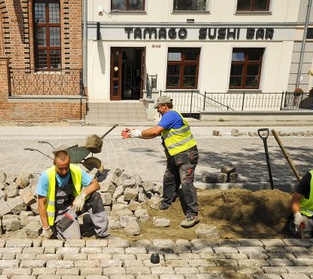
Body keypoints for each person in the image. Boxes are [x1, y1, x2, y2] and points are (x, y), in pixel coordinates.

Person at [121, 95, 200, 228]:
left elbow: (155, 130)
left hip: (186, 155)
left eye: (158, 107)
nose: (158, 110)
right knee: (169, 178)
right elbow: (154, 134)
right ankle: (166, 203)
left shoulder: (171, 115)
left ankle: (193, 213)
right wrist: (135, 133)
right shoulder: (167, 118)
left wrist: (137, 133)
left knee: (186, 183)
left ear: (164, 106)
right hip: (175, 155)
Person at [36, 149, 109, 239]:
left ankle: (102, 234)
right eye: (60, 168)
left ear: (69, 162)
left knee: (95, 196)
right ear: (54, 163)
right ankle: (57, 227)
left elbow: (96, 184)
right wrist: (46, 228)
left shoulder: (75, 170)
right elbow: (41, 204)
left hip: (73, 206)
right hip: (59, 213)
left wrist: (82, 195)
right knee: (74, 240)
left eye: (66, 167)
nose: (64, 171)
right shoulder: (46, 176)